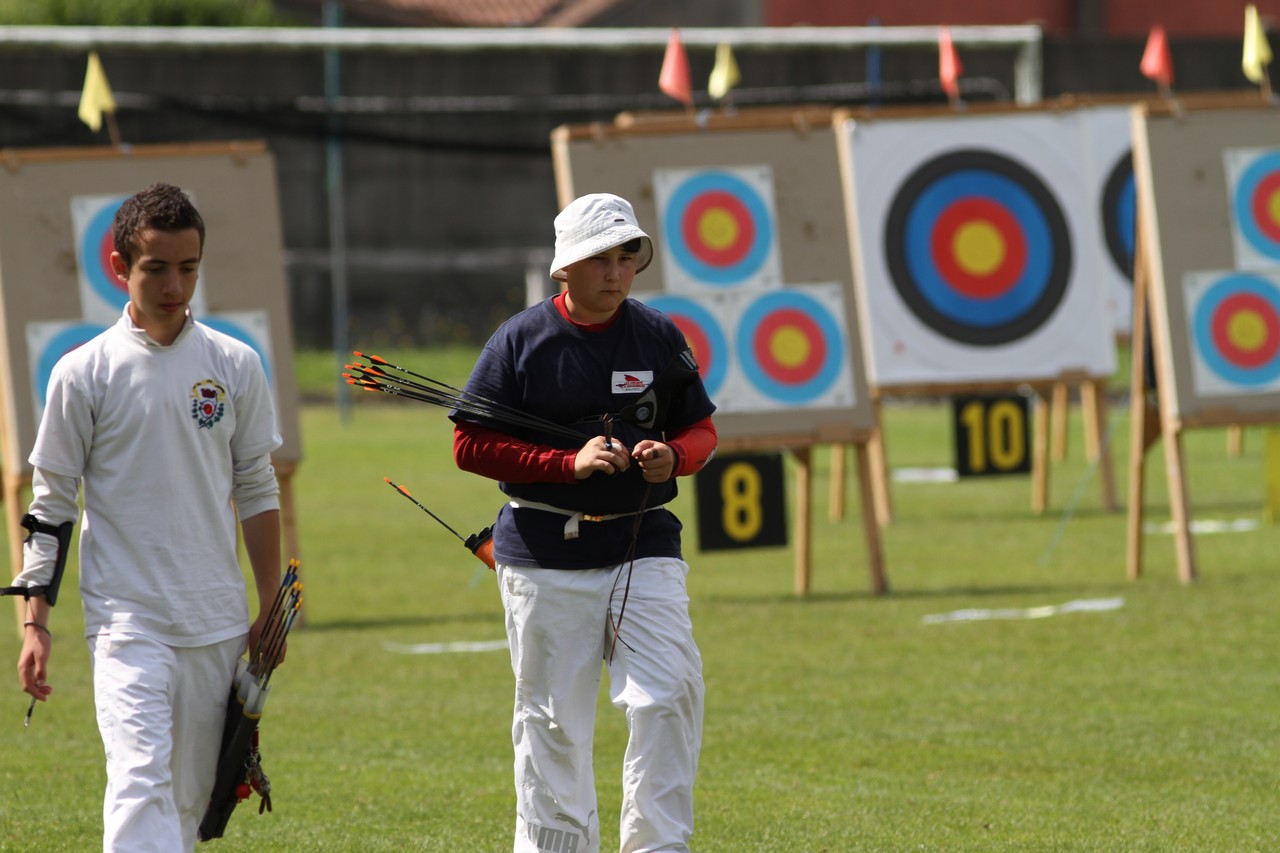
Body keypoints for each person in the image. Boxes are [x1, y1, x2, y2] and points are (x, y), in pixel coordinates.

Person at [9, 182, 283, 851]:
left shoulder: (235, 364)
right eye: (156, 267)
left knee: (190, 805)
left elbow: (256, 486)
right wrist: (33, 622)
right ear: (118, 269)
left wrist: (271, 601)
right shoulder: (82, 372)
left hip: (215, 617)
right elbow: (49, 506)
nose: (175, 284)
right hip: (126, 620)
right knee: (138, 782)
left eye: (188, 267)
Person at [452, 192, 718, 853]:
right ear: (565, 267)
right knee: (554, 723)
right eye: (602, 258)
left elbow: (701, 426)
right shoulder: (520, 340)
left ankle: (658, 846)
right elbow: (470, 444)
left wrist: (672, 455)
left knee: (668, 693)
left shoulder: (657, 334)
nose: (618, 271)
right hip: (543, 549)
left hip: (641, 542)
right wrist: (566, 462)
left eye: (628, 256)